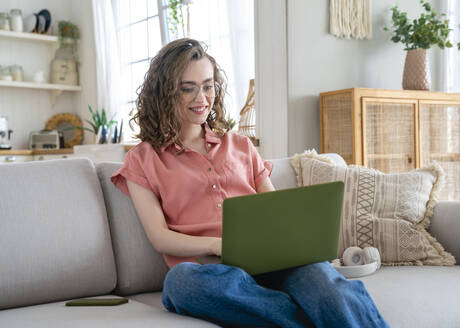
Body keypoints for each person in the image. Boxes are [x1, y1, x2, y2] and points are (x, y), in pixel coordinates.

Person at [111, 38, 389, 328]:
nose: (201, 98)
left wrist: (299, 238)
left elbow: (276, 210)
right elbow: (159, 237)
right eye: (187, 88)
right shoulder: (143, 158)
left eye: (207, 86)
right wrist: (218, 245)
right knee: (180, 283)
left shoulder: (240, 146)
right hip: (215, 276)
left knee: (328, 286)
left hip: (276, 263)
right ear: (165, 93)